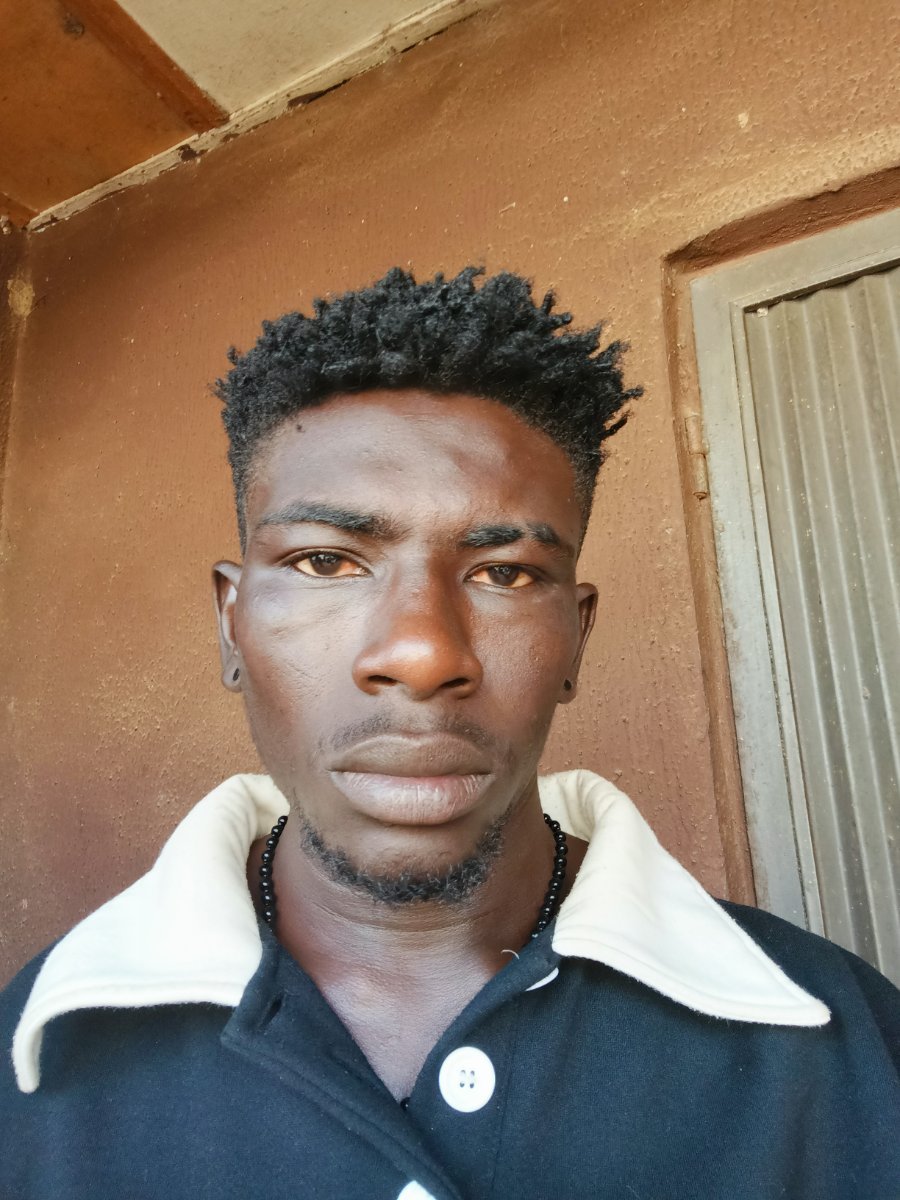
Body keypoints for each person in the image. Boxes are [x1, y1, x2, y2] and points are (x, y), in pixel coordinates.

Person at [1, 267, 898, 1199]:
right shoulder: (33, 1060)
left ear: (576, 639)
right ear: (234, 626)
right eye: (325, 561)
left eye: (505, 573)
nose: (424, 654)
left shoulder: (847, 1042)